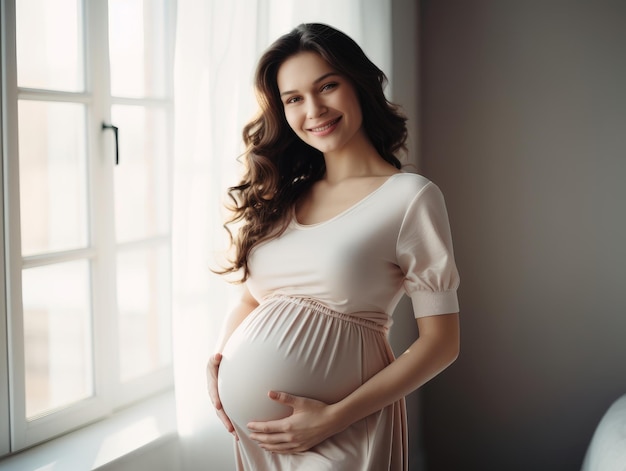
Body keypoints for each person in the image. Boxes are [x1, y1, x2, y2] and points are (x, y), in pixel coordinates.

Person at [207, 23, 460, 471]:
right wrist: (221, 359)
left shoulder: (410, 197)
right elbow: (250, 297)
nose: (314, 109)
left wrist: (331, 419)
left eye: (327, 86)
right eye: (294, 99)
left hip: (344, 430)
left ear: (358, 85)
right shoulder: (282, 196)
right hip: (259, 443)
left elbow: (442, 343)